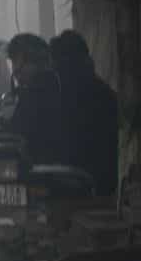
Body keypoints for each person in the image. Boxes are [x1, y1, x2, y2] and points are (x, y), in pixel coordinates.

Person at [51, 30, 119, 195]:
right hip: (89, 181)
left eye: (57, 65)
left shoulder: (85, 95)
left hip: (88, 184)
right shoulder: (102, 92)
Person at [5, 33, 68, 167]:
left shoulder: (35, 94)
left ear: (32, 62)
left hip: (40, 169)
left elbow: (16, 134)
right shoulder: (57, 85)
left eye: (16, 61)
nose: (15, 71)